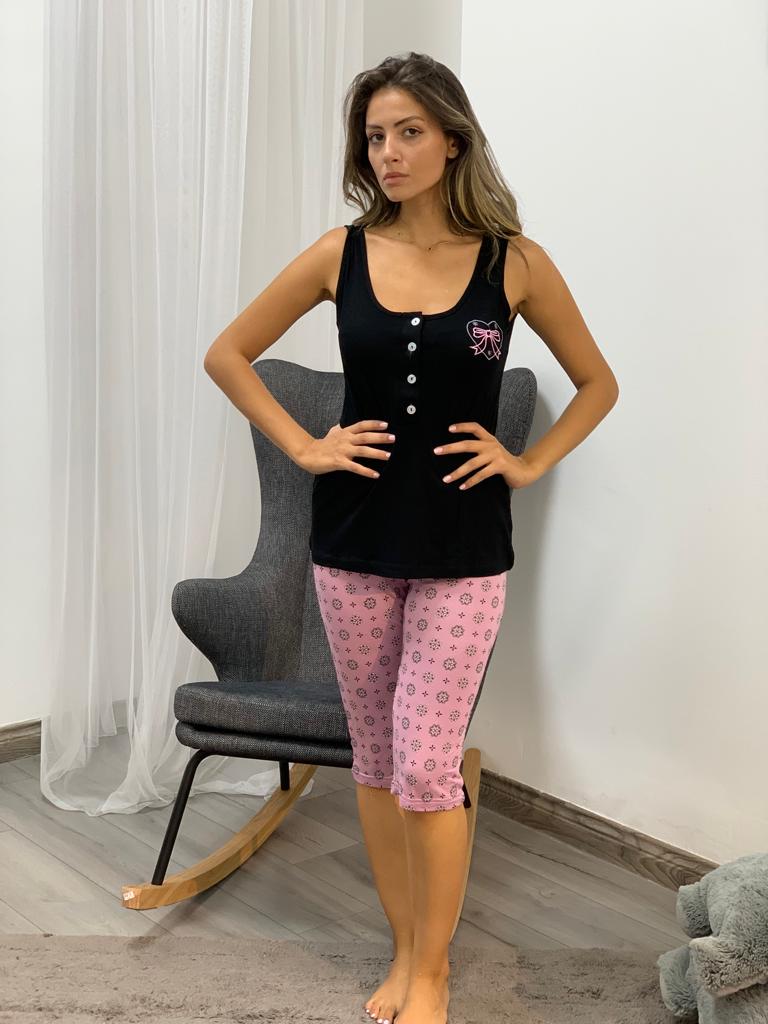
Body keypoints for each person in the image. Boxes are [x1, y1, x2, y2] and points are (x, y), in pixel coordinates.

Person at [204, 50, 618, 1024]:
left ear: (452, 140)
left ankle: (432, 972)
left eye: (408, 133)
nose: (387, 153)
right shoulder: (335, 255)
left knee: (430, 760)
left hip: (466, 552)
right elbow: (228, 353)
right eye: (375, 136)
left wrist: (527, 461)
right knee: (379, 759)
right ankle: (402, 948)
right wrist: (308, 442)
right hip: (350, 544)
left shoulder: (514, 260)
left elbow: (598, 382)